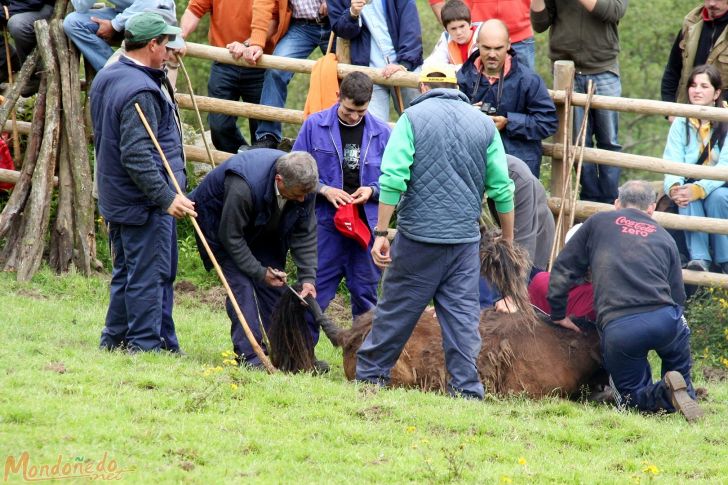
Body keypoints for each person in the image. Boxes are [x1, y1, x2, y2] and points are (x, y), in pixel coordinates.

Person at [355, 65, 515, 399]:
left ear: (423, 87)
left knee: (396, 312)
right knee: (461, 320)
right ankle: (467, 391)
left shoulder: (412, 119)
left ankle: (370, 377)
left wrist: (381, 232)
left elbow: (393, 178)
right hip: (463, 243)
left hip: (418, 240)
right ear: (457, 87)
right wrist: (508, 240)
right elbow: (502, 188)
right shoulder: (484, 125)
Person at [548, 180, 703, 421]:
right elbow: (678, 294)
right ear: (652, 208)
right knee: (678, 363)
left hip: (622, 326)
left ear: (617, 203)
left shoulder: (598, 222)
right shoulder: (663, 236)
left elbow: (564, 268)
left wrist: (558, 312)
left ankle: (665, 392)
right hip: (668, 319)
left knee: (629, 402)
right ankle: (683, 392)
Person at [90, 12, 196, 353]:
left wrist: (161, 71)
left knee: (127, 271)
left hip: (117, 195)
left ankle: (115, 339)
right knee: (149, 274)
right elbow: (137, 155)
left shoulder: (110, 75)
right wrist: (167, 197)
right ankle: (146, 346)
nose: (169, 51)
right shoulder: (141, 91)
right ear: (151, 45)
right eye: (165, 44)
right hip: (143, 201)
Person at [189, 150, 320, 369]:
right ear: (279, 180)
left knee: (278, 290)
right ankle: (251, 358)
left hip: (262, 226)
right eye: (298, 194)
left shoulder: (304, 186)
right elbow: (231, 237)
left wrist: (308, 277)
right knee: (242, 288)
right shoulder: (244, 185)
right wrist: (259, 272)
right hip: (221, 227)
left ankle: (291, 358)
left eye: (306, 193)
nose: (302, 199)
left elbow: (304, 232)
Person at [292, 72, 390, 339]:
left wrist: (372, 190)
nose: (354, 117)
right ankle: (301, 356)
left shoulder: (383, 133)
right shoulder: (314, 125)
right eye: (348, 110)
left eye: (360, 111)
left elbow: (396, 182)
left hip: (366, 226)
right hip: (325, 222)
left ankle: (364, 363)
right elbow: (293, 169)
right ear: (338, 98)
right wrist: (324, 189)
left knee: (366, 296)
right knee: (314, 291)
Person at [531, 0, 627, 203]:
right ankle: (589, 199)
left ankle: (610, 199)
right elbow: (540, 24)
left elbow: (614, 11)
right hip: (566, 69)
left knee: (609, 140)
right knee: (575, 142)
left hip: (603, 67)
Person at [457, 19, 557, 178]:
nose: (492, 54)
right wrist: (469, 114)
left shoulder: (528, 80)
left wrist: (508, 123)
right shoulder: (463, 77)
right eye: (486, 48)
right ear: (477, 44)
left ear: (509, 45)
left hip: (516, 166)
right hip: (472, 162)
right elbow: (448, 120)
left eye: (498, 48)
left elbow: (547, 122)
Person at [179, 0, 282, 153]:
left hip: (259, 64)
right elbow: (194, 10)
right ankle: (241, 164)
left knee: (261, 132)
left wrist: (248, 44)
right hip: (223, 61)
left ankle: (259, 170)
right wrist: (180, 36)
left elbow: (274, 20)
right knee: (219, 127)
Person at [663, 64, 728, 274]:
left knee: (717, 197)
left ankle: (725, 258)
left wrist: (700, 188)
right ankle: (699, 258)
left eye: (704, 86)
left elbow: (725, 165)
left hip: (722, 185)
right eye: (692, 85)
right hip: (690, 183)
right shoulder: (681, 120)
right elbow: (671, 160)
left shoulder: (726, 120)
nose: (696, 90)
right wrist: (674, 187)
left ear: (716, 92)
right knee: (685, 195)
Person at [241, 0, 332, 149]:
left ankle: (336, 137)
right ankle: (268, 136)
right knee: (275, 69)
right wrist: (256, 42)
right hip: (301, 26)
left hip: (335, 23)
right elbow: (263, 4)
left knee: (342, 77)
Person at [480, 154, 555, 311]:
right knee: (487, 296)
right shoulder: (470, 169)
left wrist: (514, 296)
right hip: (500, 234)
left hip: (535, 231)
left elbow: (524, 242)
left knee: (521, 300)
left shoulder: (520, 178)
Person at [328, 0, 423, 121]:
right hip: (369, 72)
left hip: (405, 67)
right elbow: (341, 31)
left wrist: (405, 64)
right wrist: (352, 14)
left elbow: (411, 27)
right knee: (374, 129)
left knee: (418, 122)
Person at [64, 0, 177, 73]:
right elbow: (80, 5)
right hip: (125, 15)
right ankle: (117, 72)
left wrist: (114, 25)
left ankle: (135, 76)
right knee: (73, 23)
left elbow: (152, 3)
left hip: (156, 15)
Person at [428, 0, 535, 70]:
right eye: (453, 29)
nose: (458, 31)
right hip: (476, 34)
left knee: (524, 90)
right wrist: (451, 20)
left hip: (520, 36)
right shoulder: (452, 36)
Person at [662, 0, 728, 104]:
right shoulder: (690, 25)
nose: (712, 4)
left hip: (722, 115)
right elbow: (672, 71)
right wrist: (669, 110)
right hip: (685, 112)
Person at [1, 0, 54, 95]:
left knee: (17, 25)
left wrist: (8, 11)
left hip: (42, 7)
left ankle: (34, 75)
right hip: (16, 6)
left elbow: (35, 2)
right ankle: (5, 60)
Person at [423, 0, 481, 71]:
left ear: (470, 23)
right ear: (446, 29)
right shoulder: (446, 38)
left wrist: (448, 68)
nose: (459, 32)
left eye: (462, 26)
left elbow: (476, 68)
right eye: (453, 29)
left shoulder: (482, 36)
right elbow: (429, 65)